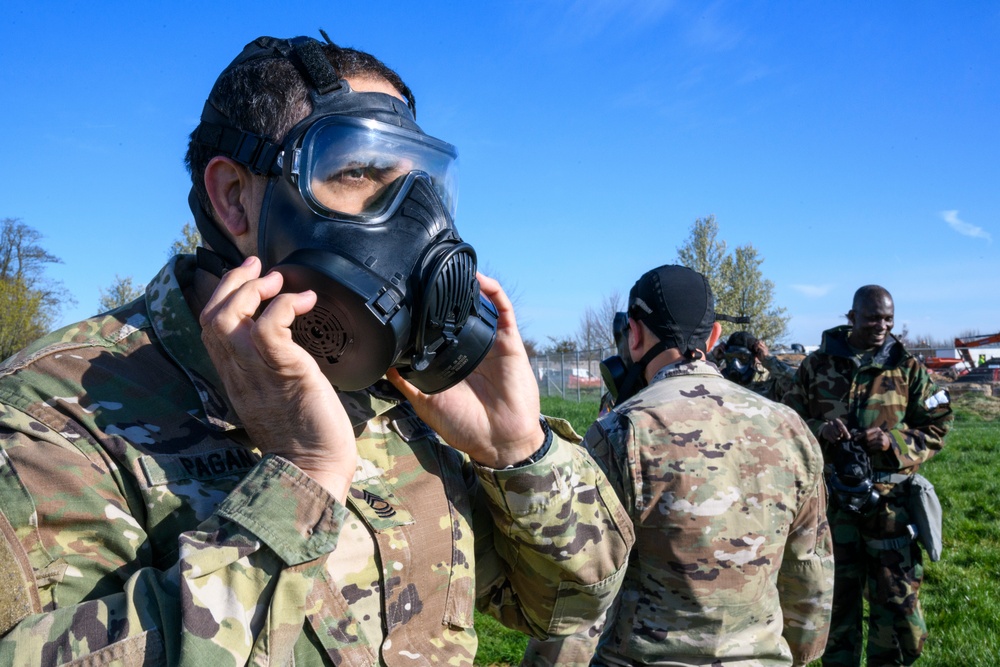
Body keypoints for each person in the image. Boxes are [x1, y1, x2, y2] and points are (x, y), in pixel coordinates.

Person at [0, 35, 633, 665]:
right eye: (358, 171)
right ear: (232, 197)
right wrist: (300, 480)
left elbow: (568, 610)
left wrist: (518, 453)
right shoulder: (53, 420)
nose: (417, 221)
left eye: (423, 186)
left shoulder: (395, 392)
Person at [584, 264, 833, 666]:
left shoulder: (618, 432)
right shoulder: (790, 428)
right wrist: (801, 654)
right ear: (714, 335)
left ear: (634, 332)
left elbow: (583, 587)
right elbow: (809, 571)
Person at [783, 285, 953, 667]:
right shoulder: (817, 365)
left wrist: (892, 441)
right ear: (852, 317)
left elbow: (939, 423)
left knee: (895, 606)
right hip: (831, 509)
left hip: (889, 511)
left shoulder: (906, 367)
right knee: (834, 603)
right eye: (874, 317)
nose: (882, 325)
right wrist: (820, 429)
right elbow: (786, 423)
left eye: (888, 319)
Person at [713, 330, 797, 402]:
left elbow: (797, 383)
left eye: (742, 357)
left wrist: (768, 360)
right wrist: (713, 359)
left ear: (755, 358)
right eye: (731, 357)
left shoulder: (769, 383)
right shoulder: (719, 381)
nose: (735, 363)